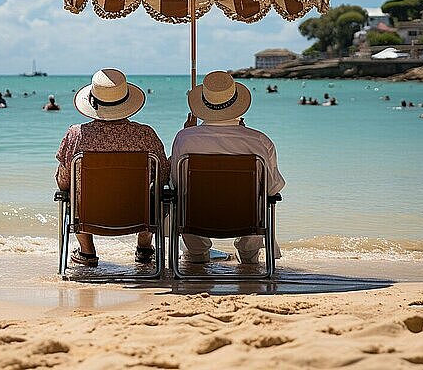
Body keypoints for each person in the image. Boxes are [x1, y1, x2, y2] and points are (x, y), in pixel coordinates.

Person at [55, 68, 169, 267]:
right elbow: (164, 177)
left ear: (92, 102)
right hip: (138, 216)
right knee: (154, 195)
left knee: (74, 193)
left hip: (89, 216)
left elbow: (64, 181)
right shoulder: (145, 135)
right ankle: (144, 247)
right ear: (126, 102)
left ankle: (87, 252)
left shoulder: (75, 135)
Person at [170, 71, 285, 265]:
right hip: (246, 223)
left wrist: (188, 132)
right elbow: (272, 188)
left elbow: (176, 183)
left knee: (181, 198)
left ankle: (197, 254)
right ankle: (249, 257)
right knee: (262, 199)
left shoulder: (185, 138)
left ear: (204, 105)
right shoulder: (259, 141)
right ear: (237, 106)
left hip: (195, 221)